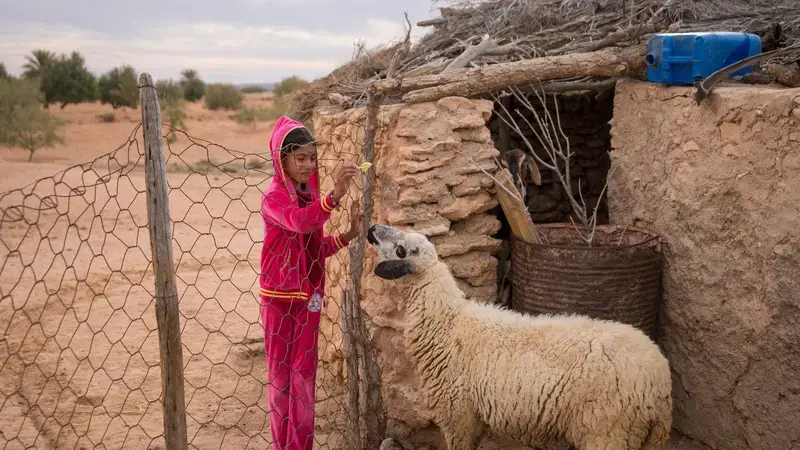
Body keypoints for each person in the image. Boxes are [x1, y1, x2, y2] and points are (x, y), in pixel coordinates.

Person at [259, 116, 362, 450]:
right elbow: (300, 224)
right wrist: (335, 196)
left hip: (309, 301)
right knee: (280, 379)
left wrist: (348, 235)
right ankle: (281, 445)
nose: (306, 165)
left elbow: (316, 253)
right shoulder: (274, 198)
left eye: (311, 158)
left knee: (303, 379)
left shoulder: (309, 197)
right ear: (282, 159)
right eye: (299, 158)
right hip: (279, 299)